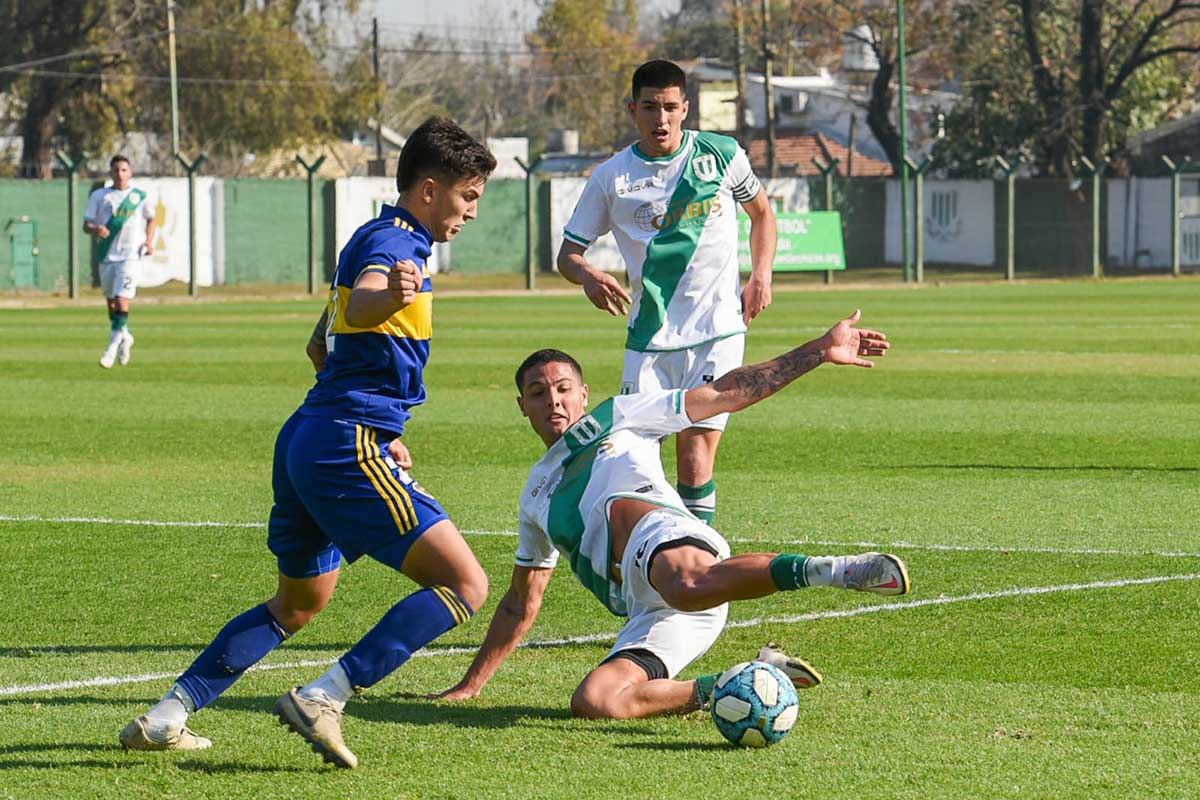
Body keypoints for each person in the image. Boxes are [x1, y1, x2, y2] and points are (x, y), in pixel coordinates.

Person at [119, 117, 497, 769]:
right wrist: (387, 311)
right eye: (468, 197)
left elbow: (320, 343)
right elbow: (372, 299)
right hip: (343, 443)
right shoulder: (397, 244)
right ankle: (328, 694)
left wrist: (375, 421)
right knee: (465, 584)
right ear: (430, 189)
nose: (470, 212)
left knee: (298, 603)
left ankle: (166, 716)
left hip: (310, 435)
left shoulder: (371, 236)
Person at [436, 310, 910, 720]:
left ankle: (841, 570)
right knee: (597, 701)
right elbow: (522, 603)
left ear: (583, 394)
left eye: (563, 389)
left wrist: (818, 351)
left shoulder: (619, 414)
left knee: (686, 583)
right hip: (652, 606)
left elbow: (724, 394)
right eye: (538, 393)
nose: (553, 401)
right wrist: (471, 685)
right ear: (523, 407)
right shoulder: (535, 496)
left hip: (668, 541)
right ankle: (743, 680)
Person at [556, 59, 777, 525]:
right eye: (651, 107)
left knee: (695, 456)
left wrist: (761, 274)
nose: (661, 118)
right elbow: (567, 255)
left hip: (718, 330)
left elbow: (762, 214)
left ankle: (698, 563)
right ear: (632, 109)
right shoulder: (611, 177)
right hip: (650, 337)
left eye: (671, 107)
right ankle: (650, 554)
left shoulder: (721, 154)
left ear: (685, 109)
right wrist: (589, 275)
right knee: (634, 461)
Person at [83, 155, 158, 369]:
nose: (120, 174)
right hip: (107, 255)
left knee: (122, 299)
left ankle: (111, 348)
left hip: (130, 256)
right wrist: (95, 228)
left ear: (130, 172)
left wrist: (149, 242)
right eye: (116, 170)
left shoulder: (139, 197)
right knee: (112, 305)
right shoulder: (100, 196)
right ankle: (125, 336)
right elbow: (86, 224)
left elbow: (152, 218)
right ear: (111, 173)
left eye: (124, 170)